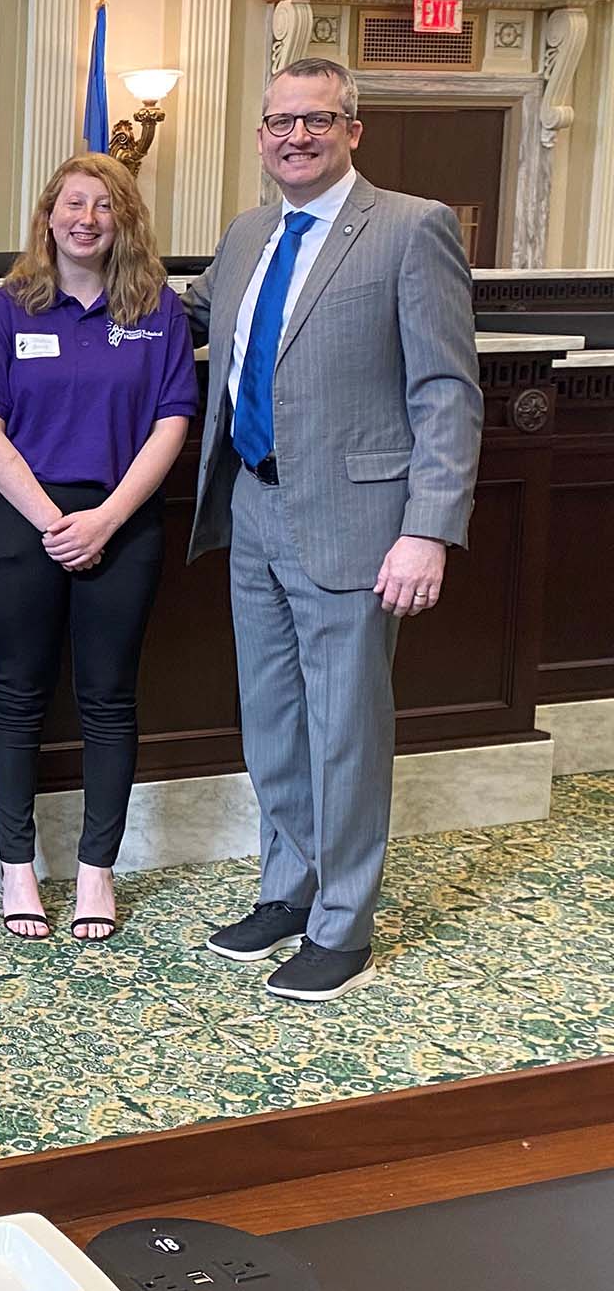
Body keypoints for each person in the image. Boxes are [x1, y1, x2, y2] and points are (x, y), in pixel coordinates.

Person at [187, 57, 481, 1001]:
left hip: (360, 523)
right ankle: (288, 888)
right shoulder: (245, 236)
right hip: (254, 507)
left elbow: (446, 390)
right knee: (273, 723)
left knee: (346, 728)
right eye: (280, 122)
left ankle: (343, 922)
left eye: (318, 121)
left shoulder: (409, 228)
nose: (296, 137)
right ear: (262, 134)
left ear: (353, 129)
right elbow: (181, 319)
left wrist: (428, 528)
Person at [0, 154, 196, 942]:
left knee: (109, 700)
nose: (87, 219)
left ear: (124, 218)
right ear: (49, 215)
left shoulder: (157, 308)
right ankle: (17, 867)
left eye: (104, 205)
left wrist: (104, 520)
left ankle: (97, 869)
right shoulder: (10, 308)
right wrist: (48, 519)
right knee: (17, 696)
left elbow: (172, 422)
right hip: (25, 518)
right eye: (73, 204)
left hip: (122, 520)